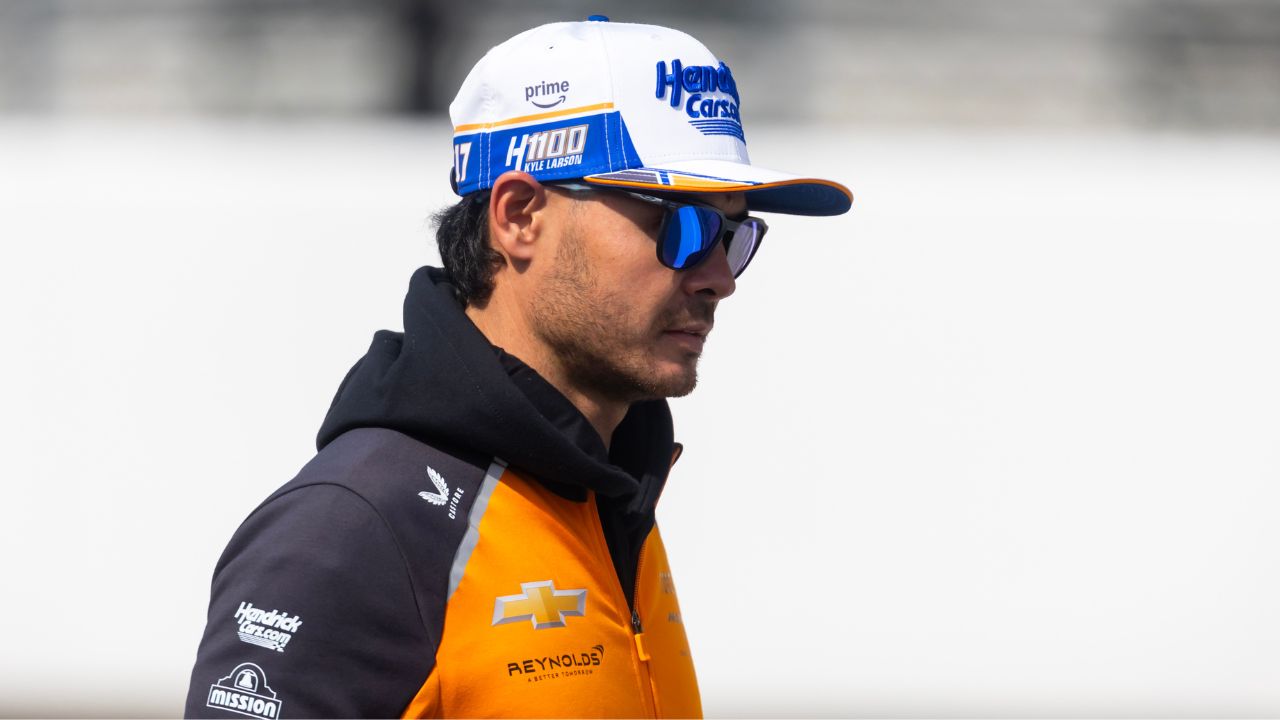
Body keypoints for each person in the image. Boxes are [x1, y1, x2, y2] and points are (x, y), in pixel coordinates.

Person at [185, 16, 851, 719]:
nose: (721, 277)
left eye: (737, 233)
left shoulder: (611, 492)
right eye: (683, 226)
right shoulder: (355, 529)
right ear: (520, 215)